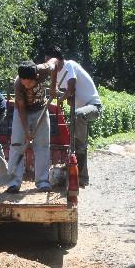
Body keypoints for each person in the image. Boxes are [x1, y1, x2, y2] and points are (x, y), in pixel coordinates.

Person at [45, 45, 102, 187]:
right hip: (78, 111)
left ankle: (79, 148)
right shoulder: (57, 75)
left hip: (93, 106)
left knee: (78, 124)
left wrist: (61, 98)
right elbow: (68, 97)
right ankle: (79, 176)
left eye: (50, 62)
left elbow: (71, 89)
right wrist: (61, 97)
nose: (49, 66)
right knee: (75, 144)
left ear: (57, 60)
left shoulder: (69, 65)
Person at [5, 60, 58, 193]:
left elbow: (55, 65)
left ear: (37, 77)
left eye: (29, 82)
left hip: (41, 109)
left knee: (42, 145)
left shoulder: (43, 69)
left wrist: (53, 86)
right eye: (24, 81)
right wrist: (27, 130)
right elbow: (21, 108)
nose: (26, 84)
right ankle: (13, 183)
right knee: (17, 144)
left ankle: (43, 182)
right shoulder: (18, 84)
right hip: (22, 113)